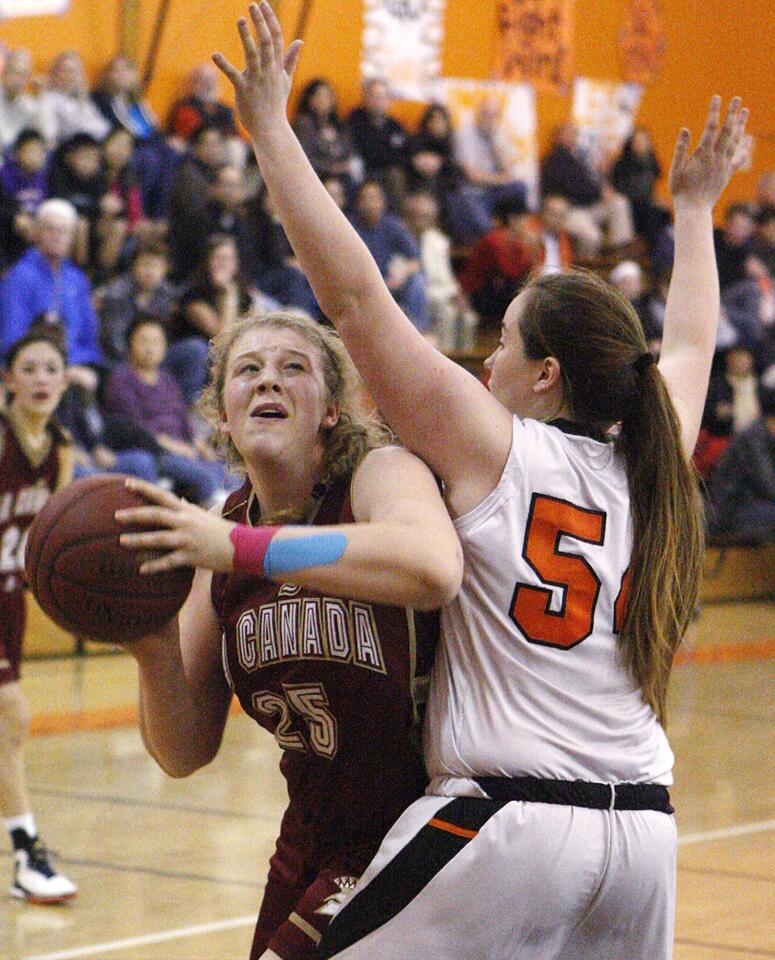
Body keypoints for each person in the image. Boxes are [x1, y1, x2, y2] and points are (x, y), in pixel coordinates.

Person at [212, 6, 749, 956]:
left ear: (544, 375)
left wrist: (270, 134)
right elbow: (696, 339)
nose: (484, 362)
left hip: (509, 824)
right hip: (645, 835)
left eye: (501, 341)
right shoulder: (649, 454)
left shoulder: (495, 445)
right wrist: (698, 212)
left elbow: (352, 296)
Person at [114, 309, 463, 959]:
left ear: (331, 409)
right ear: (221, 413)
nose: (268, 381)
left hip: (415, 825)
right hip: (310, 837)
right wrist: (151, 646)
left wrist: (244, 548)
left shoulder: (378, 476)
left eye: (292, 368)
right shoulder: (224, 533)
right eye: (248, 370)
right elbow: (183, 751)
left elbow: (431, 566)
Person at [0, 331, 78, 903]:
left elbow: (55, 541)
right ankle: (27, 854)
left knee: (10, 725)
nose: (42, 378)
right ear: (9, 379)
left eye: (52, 367)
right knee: (10, 716)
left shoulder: (61, 450)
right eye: (29, 368)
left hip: (9, 599)